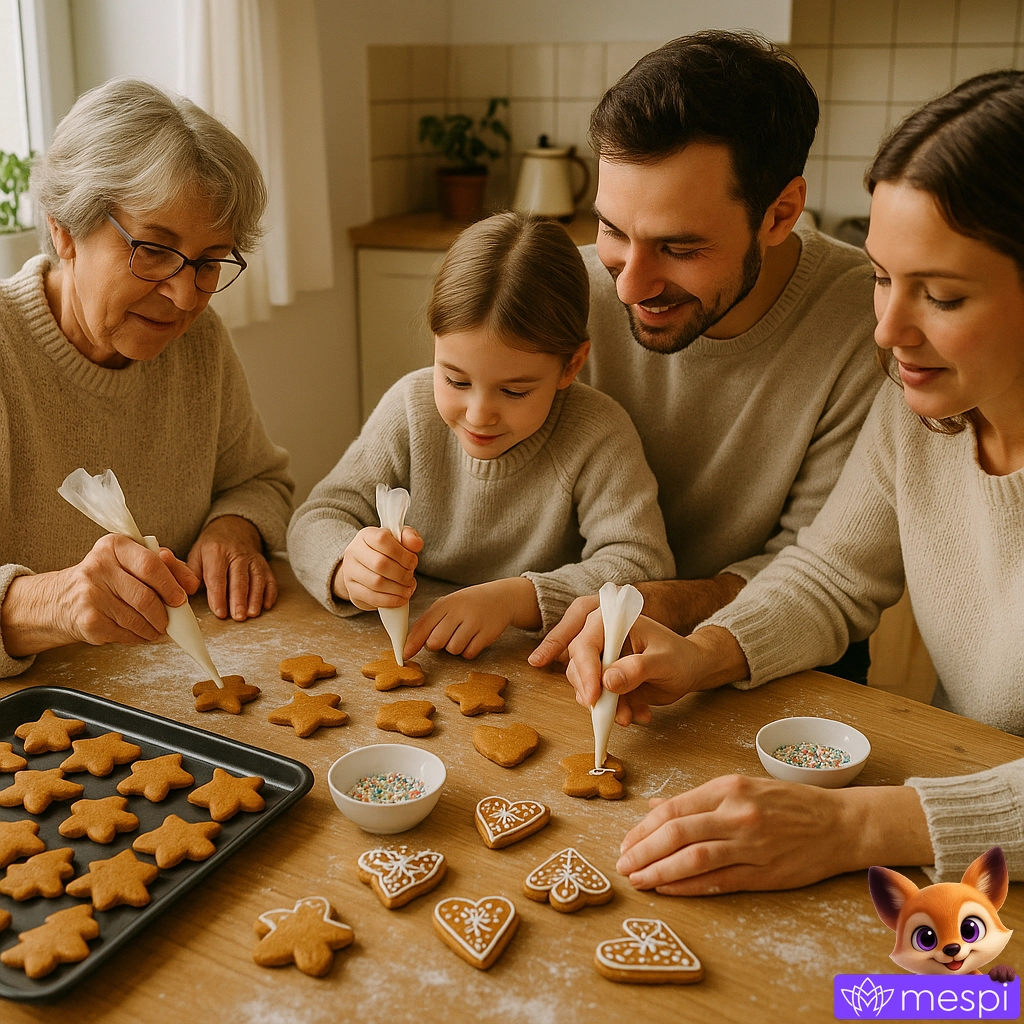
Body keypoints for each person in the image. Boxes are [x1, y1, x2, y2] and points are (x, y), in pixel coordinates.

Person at [563, 70, 1024, 895]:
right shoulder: (926, 406)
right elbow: (832, 572)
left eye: (942, 295)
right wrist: (702, 656)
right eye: (883, 277)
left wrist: (855, 825)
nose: (886, 330)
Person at [530, 31, 882, 682]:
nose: (629, 287)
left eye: (680, 247)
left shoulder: (869, 318)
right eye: (611, 229)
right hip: (571, 649)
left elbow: (827, 566)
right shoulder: (561, 291)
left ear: (780, 214)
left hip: (779, 666)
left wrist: (677, 603)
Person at [0, 78, 293, 678]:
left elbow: (259, 479)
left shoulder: (200, 344)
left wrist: (231, 529)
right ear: (63, 229)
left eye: (211, 261)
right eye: (153, 250)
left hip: (168, 693)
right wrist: (50, 603)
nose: (185, 296)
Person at [288, 212, 674, 658]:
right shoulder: (410, 408)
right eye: (455, 380)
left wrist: (516, 600)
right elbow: (316, 517)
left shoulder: (598, 434)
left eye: (514, 390)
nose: (478, 415)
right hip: (410, 653)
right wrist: (346, 567)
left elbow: (644, 566)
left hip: (538, 666)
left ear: (571, 364)